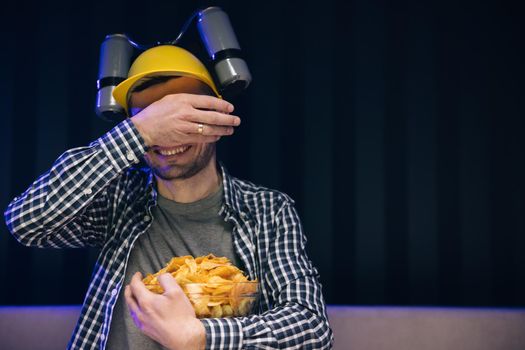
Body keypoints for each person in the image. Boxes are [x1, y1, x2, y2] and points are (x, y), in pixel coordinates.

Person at [4, 45, 333, 349]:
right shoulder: (118, 199)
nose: (168, 136)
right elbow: (26, 221)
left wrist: (201, 337)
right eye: (154, 119)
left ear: (214, 118)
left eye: (185, 118)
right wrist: (139, 133)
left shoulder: (267, 211)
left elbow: (312, 329)